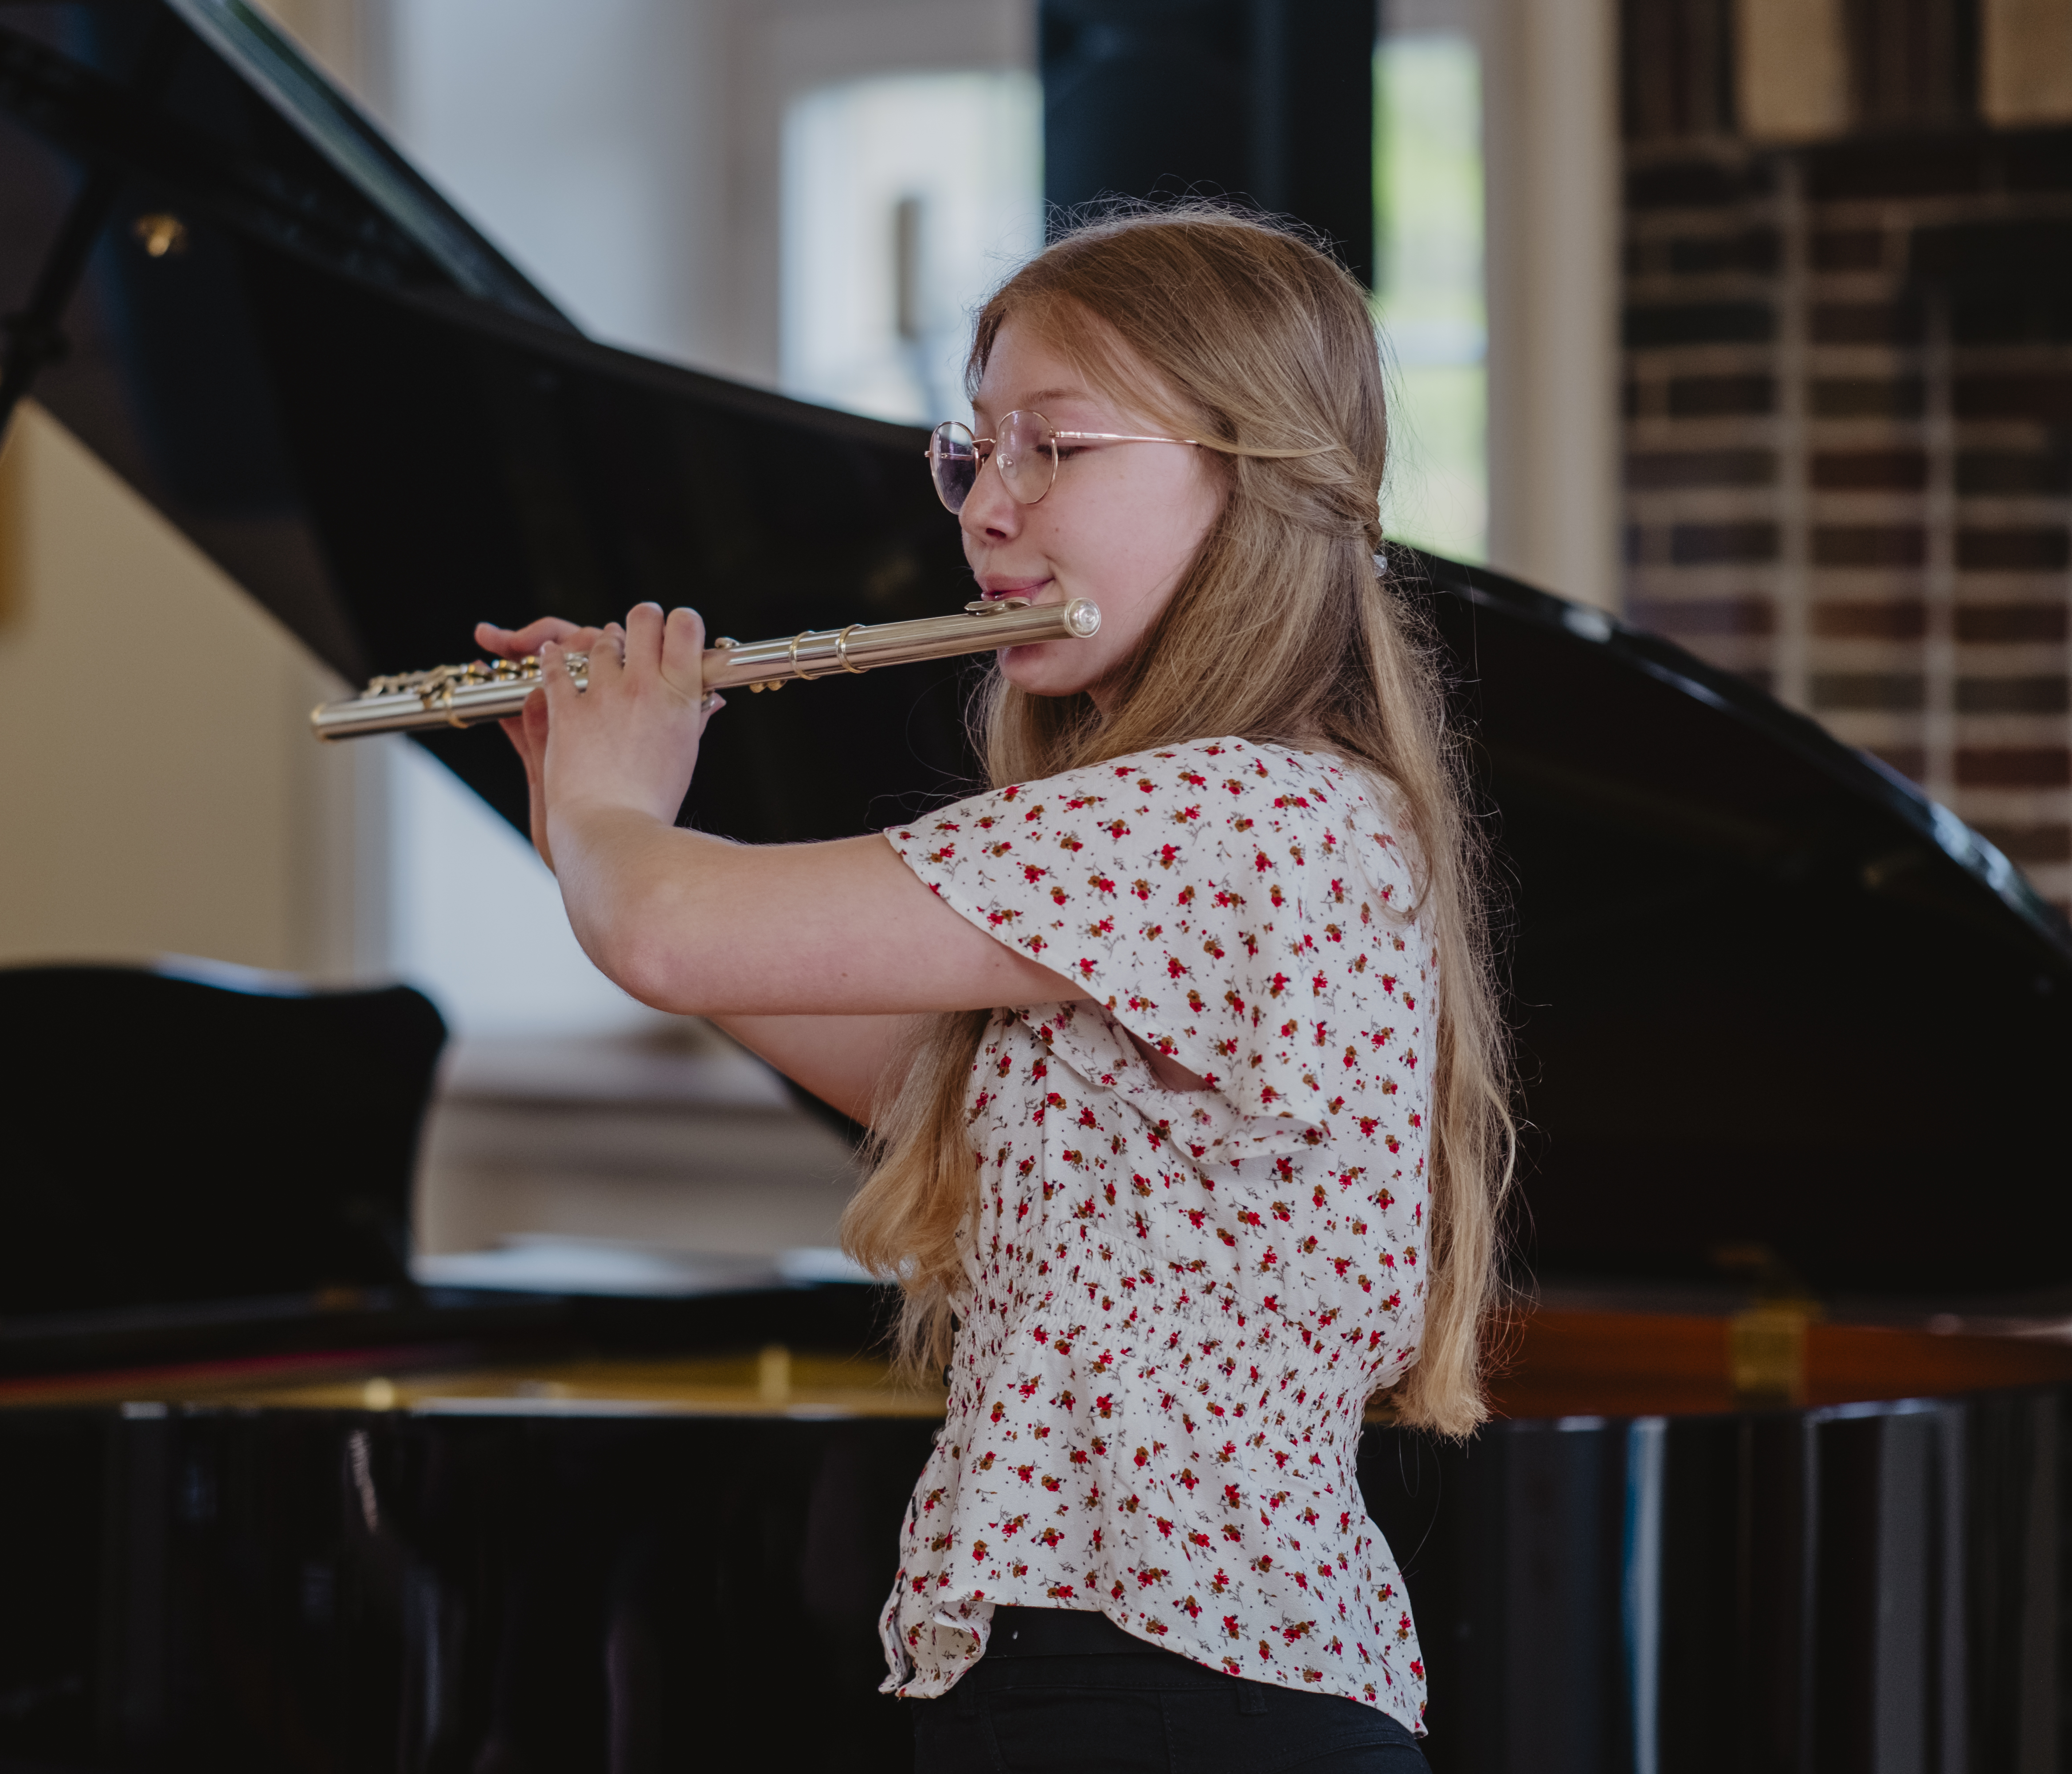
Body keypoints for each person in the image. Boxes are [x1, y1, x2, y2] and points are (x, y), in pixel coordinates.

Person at [475, 207, 1511, 1774]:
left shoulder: (1231, 813)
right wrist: (600, 821)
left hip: (1163, 1697)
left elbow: (668, 933)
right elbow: (923, 1077)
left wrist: (623, 821)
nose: (990, 510)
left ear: (1254, 476)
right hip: (1148, 1684)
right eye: (977, 453)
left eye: (1058, 450)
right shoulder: (1251, 814)